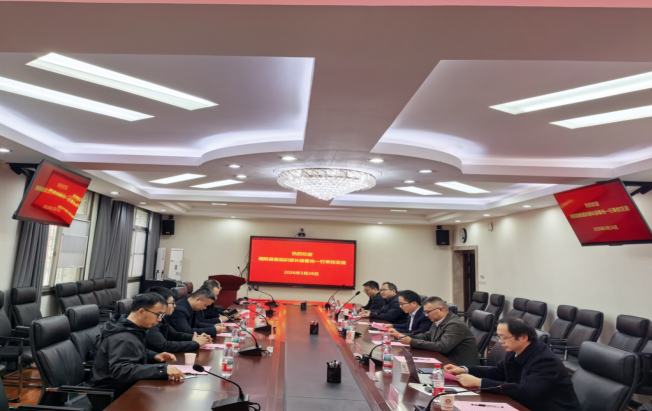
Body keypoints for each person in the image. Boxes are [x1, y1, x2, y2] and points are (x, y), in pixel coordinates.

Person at [445, 318, 581, 411]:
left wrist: (479, 382)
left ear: (523, 337)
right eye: (499, 337)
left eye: (504, 337)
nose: (500, 341)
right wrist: (464, 370)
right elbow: (498, 371)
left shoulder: (545, 361)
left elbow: (525, 392)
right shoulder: (516, 351)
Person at [91, 293, 185, 399]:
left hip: (126, 386)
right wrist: (161, 370)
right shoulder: (122, 337)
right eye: (159, 315)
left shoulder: (130, 328)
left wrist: (154, 356)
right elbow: (121, 371)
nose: (160, 320)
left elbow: (134, 351)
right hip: (112, 394)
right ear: (141, 312)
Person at [389, 296, 479, 365]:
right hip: (443, 360)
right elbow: (427, 336)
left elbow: (442, 347)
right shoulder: (438, 320)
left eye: (428, 312)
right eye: (425, 312)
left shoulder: (455, 324)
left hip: (458, 366)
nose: (426, 315)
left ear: (440, 310)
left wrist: (411, 341)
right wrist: (403, 336)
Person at [145, 286, 212, 353]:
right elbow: (164, 346)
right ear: (160, 304)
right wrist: (196, 343)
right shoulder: (149, 321)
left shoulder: (161, 318)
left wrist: (195, 337)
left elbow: (174, 335)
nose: (175, 305)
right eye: (172, 303)